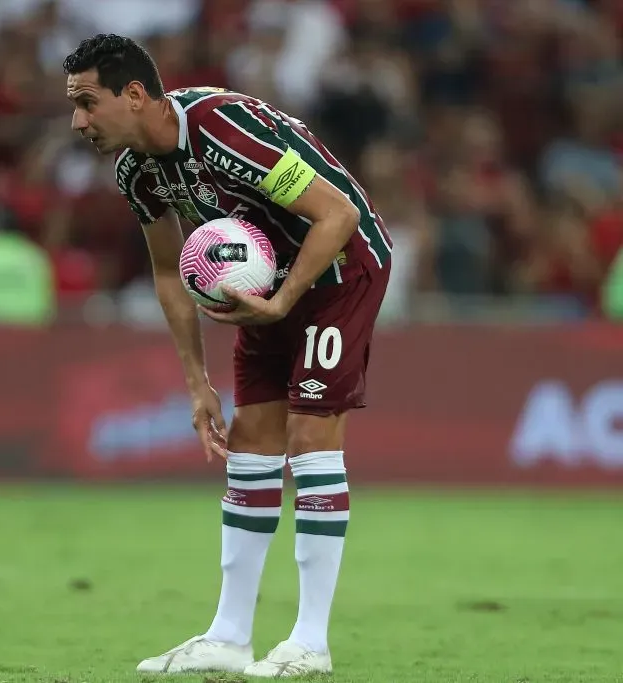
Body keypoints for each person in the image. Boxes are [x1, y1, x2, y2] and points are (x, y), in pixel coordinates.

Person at [63, 34, 393, 677]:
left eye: (86, 102)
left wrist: (284, 300)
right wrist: (196, 382)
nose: (77, 121)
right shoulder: (137, 170)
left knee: (310, 438)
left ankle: (311, 642)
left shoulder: (224, 130)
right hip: (266, 286)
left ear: (134, 94)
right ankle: (228, 634)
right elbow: (166, 272)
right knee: (251, 444)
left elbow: (338, 215)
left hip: (338, 273)